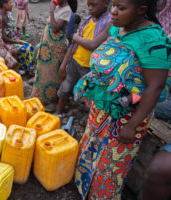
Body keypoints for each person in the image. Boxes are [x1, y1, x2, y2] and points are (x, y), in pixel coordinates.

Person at [72, 0, 171, 198]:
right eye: (113, 5)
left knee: (110, 164)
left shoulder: (153, 40)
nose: (113, 12)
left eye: (121, 8)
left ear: (141, 10)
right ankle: (84, 187)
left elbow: (155, 87)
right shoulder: (119, 28)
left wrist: (133, 124)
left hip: (128, 114)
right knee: (91, 149)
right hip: (103, 108)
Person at [55, 0, 111, 114]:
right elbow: (73, 45)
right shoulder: (88, 20)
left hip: (90, 68)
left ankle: (88, 118)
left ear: (106, 3)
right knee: (66, 87)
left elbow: (93, 45)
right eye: (88, 5)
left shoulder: (109, 22)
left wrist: (75, 37)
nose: (90, 8)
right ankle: (58, 112)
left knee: (90, 94)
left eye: (94, 5)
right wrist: (64, 63)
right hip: (75, 61)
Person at [30, 0, 75, 110]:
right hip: (47, 46)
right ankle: (39, 97)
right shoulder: (59, 7)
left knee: (52, 75)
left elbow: (55, 28)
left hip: (55, 49)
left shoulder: (67, 10)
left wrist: (51, 11)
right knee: (43, 72)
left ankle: (50, 100)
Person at [0, 0, 34, 73]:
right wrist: (16, 41)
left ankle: (25, 67)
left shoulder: (8, 14)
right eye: (10, 3)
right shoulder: (0, 19)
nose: (12, 5)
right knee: (25, 49)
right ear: (4, 5)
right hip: (6, 43)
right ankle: (20, 68)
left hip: (13, 40)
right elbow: (2, 37)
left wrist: (17, 40)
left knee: (30, 46)